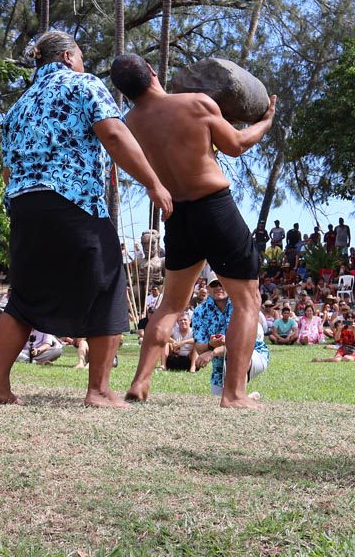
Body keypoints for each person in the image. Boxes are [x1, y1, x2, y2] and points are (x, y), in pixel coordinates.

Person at [0, 32, 172, 408]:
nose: (84, 63)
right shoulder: (83, 84)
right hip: (72, 200)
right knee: (109, 284)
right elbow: (115, 135)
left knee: (24, 295)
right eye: (82, 56)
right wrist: (153, 182)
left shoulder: (18, 106)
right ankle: (99, 391)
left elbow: (7, 170)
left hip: (24, 205)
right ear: (69, 56)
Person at [109, 53, 274, 408]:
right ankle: (234, 395)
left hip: (178, 217)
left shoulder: (129, 125)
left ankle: (140, 383)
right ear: (152, 72)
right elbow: (237, 145)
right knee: (247, 302)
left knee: (170, 305)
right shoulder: (196, 103)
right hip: (214, 207)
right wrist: (266, 121)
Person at [190, 286, 268, 399]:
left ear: (228, 284)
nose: (218, 287)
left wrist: (213, 352)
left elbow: (241, 345)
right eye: (214, 284)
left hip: (254, 354)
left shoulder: (241, 306)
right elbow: (199, 349)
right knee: (219, 400)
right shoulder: (199, 311)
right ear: (208, 288)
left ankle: (240, 397)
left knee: (237, 358)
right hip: (220, 365)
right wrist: (211, 344)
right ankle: (246, 397)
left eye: (222, 283)